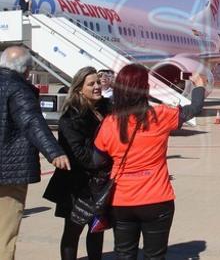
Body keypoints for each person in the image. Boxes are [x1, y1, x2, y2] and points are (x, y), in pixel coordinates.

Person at [94, 64, 205, 259]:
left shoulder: (110, 123)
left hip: (122, 199)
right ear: (145, 89)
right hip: (157, 198)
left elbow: (97, 160)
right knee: (155, 256)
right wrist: (199, 85)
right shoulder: (161, 115)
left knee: (124, 254)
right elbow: (194, 109)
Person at [0, 46, 70, 260]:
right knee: (5, 231)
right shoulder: (18, 87)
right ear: (27, 70)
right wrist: (54, 152)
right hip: (9, 170)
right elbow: (31, 121)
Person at [43, 67, 111, 260]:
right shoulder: (71, 117)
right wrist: (109, 156)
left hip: (102, 182)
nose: (97, 86)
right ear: (80, 89)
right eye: (91, 84)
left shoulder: (107, 108)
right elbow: (80, 155)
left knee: (97, 229)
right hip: (77, 184)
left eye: (98, 82)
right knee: (73, 232)